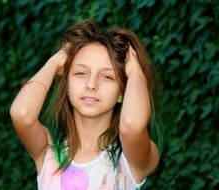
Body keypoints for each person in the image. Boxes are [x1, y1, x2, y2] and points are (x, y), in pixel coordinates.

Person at [10, 19, 163, 190]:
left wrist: (134, 69)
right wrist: (54, 62)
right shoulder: (49, 152)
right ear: (67, 85)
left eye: (107, 76)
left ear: (122, 92)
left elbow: (132, 125)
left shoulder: (129, 160)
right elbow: (22, 114)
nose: (91, 84)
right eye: (81, 73)